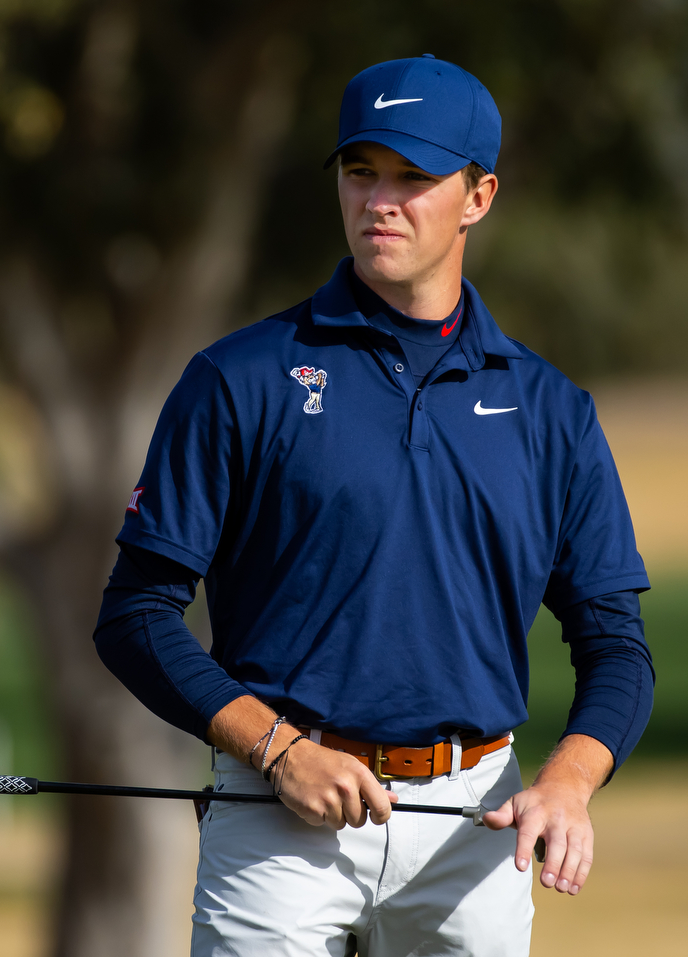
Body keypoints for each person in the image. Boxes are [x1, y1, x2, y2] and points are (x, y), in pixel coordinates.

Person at [93, 54, 653, 957]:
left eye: (413, 177)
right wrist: (277, 751)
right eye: (361, 172)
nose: (378, 200)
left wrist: (567, 785)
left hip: (473, 825)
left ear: (478, 196)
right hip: (281, 815)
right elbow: (135, 617)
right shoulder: (239, 380)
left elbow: (617, 645)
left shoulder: (552, 412)